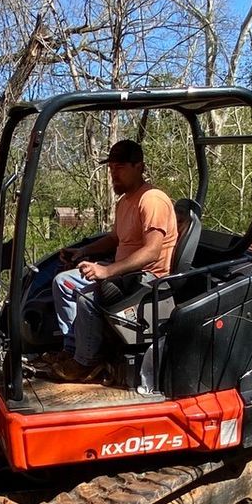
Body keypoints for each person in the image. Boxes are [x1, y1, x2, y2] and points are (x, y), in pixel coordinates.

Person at [42, 139, 177, 381]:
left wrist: (107, 271)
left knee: (87, 296)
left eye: (120, 168)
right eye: (111, 168)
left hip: (145, 281)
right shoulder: (124, 201)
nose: (114, 174)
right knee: (63, 282)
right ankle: (72, 351)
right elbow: (115, 238)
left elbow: (152, 252)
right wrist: (82, 252)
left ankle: (87, 363)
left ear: (139, 167)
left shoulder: (152, 199)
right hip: (123, 272)